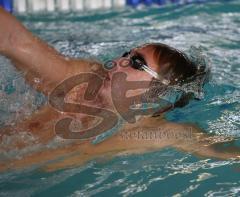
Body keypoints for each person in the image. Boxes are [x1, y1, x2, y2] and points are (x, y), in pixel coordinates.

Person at [0, 7, 239, 172]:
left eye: (136, 63)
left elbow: (225, 152)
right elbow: (12, 40)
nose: (116, 61)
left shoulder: (161, 134)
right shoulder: (83, 82)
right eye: (127, 54)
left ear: (160, 94)